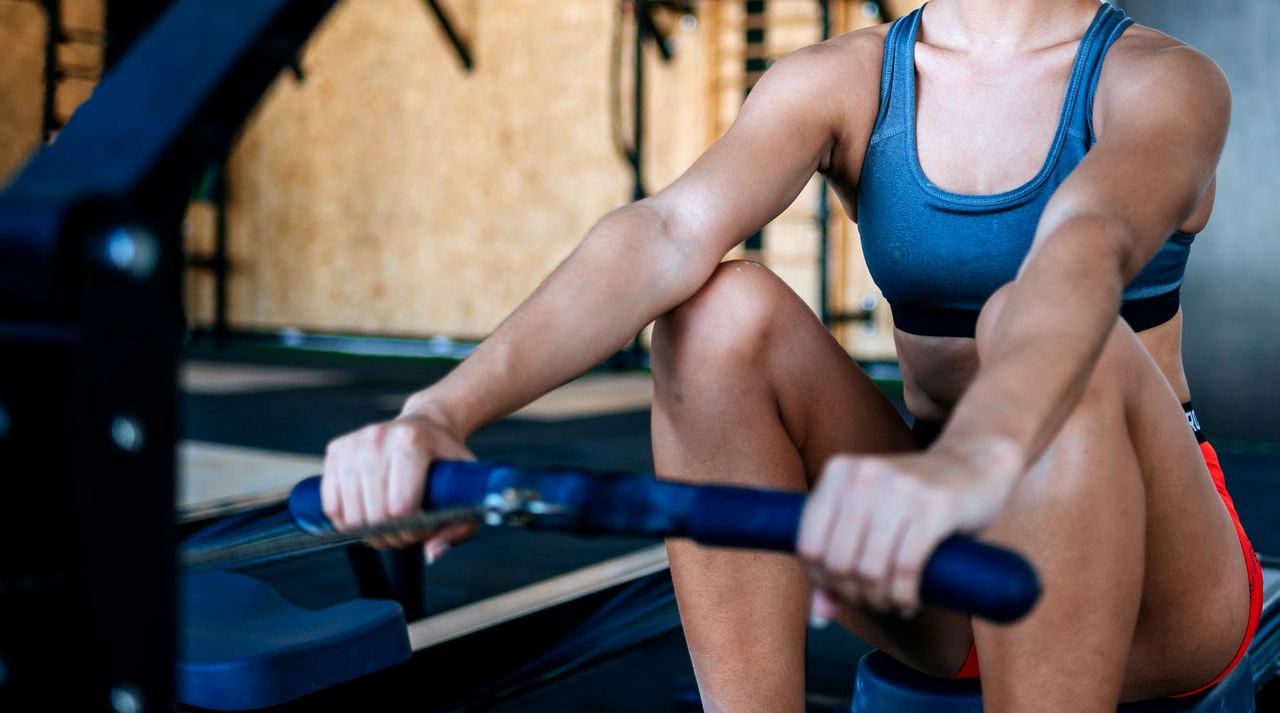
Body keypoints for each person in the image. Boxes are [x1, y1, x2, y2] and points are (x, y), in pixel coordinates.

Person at [320, 1, 1261, 710]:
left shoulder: (1158, 79)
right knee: (714, 315)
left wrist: (979, 464)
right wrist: (438, 412)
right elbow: (665, 231)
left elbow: (1081, 250)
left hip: (1151, 581)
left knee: (1045, 319)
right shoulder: (850, 79)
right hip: (931, 559)